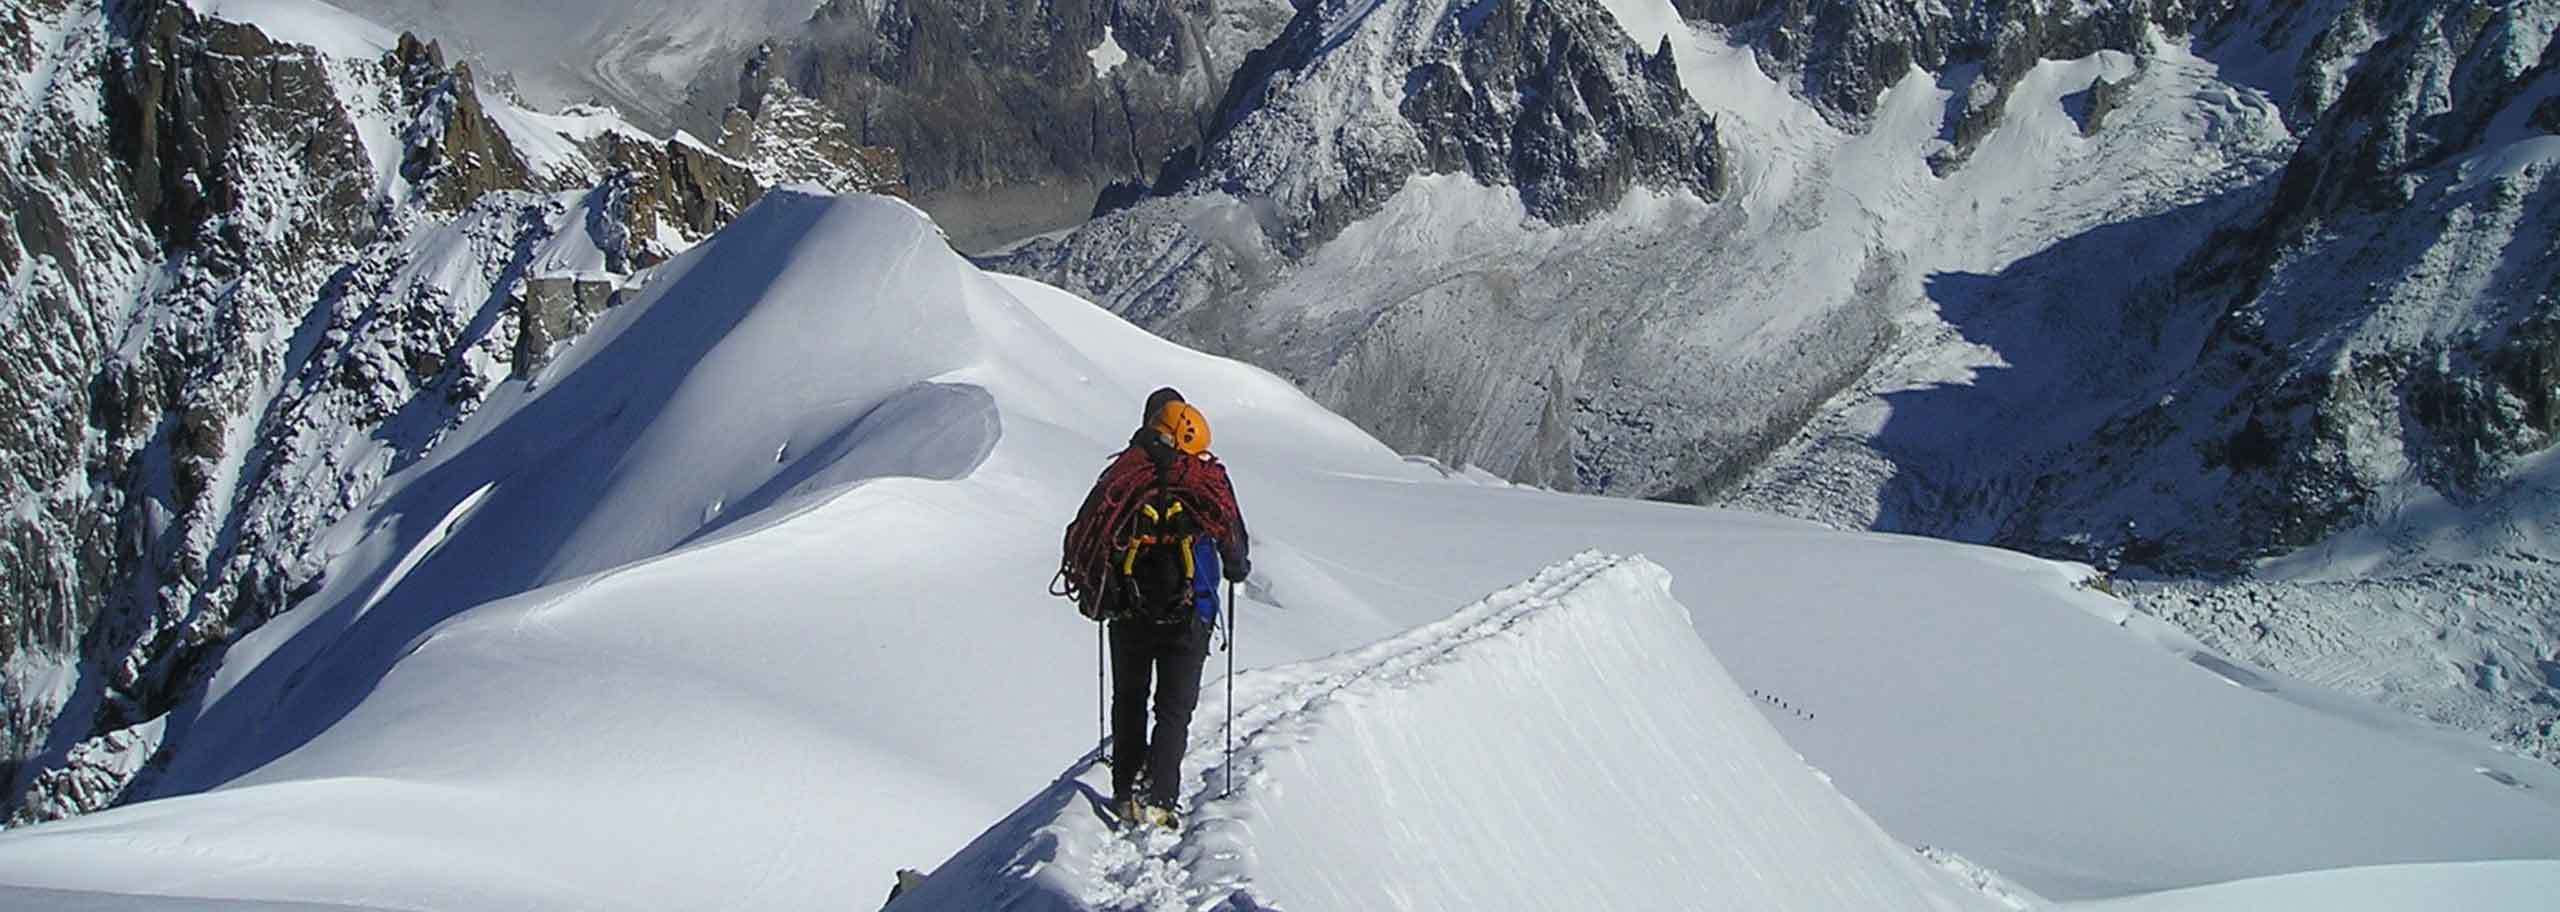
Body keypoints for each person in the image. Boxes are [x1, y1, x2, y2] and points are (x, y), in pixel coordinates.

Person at [1059, 387, 1250, 828]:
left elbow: (1087, 534)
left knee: (1129, 699)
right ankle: (1161, 797)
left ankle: (1125, 791)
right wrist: (1236, 570)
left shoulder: (1124, 478)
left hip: (1128, 610)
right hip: (1192, 609)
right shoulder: (1206, 480)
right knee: (1173, 709)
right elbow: (1234, 544)